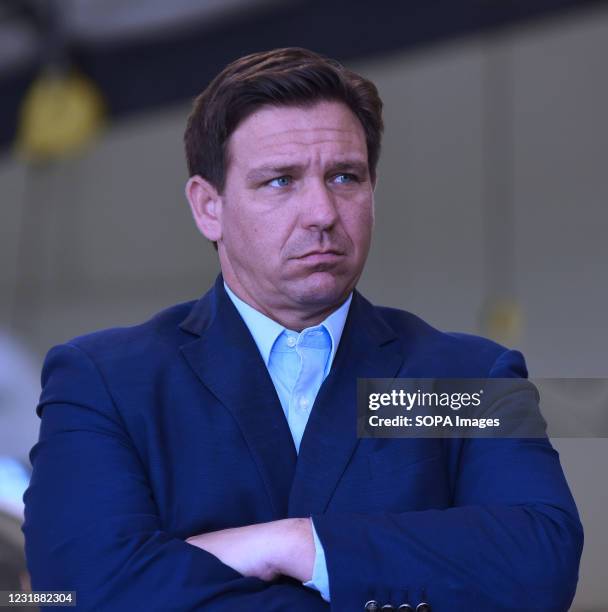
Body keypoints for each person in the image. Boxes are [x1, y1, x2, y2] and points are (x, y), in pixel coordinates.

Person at [23, 47, 583, 611]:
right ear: (208, 207)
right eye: (280, 181)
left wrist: (293, 544)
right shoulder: (107, 381)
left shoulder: (465, 377)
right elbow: (75, 593)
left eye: (345, 176)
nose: (322, 212)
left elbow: (542, 562)